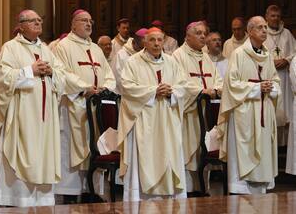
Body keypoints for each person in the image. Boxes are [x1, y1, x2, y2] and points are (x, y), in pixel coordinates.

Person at [0, 10, 65, 207]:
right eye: (33, 20)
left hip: (45, 115)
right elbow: (2, 78)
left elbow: (63, 77)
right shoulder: (10, 48)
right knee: (22, 150)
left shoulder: (46, 49)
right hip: (22, 114)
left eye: (40, 19)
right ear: (21, 25)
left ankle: (42, 200)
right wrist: (31, 70)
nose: (38, 23)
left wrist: (52, 72)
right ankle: (17, 198)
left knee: (43, 153)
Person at [117, 27, 188, 201]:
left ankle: (169, 195)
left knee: (169, 151)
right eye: (152, 40)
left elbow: (183, 86)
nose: (156, 44)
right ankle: (140, 198)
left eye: (159, 40)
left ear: (164, 41)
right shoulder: (133, 62)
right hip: (143, 119)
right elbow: (126, 87)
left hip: (168, 120)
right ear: (144, 42)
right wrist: (153, 91)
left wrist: (171, 91)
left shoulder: (172, 62)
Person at [54, 9, 115, 203]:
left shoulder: (96, 49)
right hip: (74, 105)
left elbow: (109, 74)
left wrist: (105, 89)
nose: (88, 24)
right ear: (73, 24)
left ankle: (92, 191)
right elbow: (61, 73)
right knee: (70, 148)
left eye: (90, 21)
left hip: (96, 106)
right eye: (83, 21)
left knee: (95, 146)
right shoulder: (63, 46)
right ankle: (70, 193)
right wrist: (84, 88)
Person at [217, 16, 280, 194]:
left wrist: (271, 87)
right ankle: (241, 189)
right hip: (244, 112)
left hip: (263, 109)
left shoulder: (267, 55)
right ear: (250, 31)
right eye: (260, 27)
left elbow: (275, 80)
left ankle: (260, 187)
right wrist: (256, 87)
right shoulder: (239, 54)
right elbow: (231, 84)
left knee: (263, 148)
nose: (264, 30)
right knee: (244, 149)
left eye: (265, 27)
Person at [172, 21, 222, 193]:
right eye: (198, 33)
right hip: (189, 114)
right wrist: (202, 91)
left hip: (206, 114)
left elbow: (217, 79)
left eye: (204, 33)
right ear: (187, 36)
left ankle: (203, 190)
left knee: (204, 150)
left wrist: (217, 89)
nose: (203, 36)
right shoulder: (178, 55)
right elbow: (179, 84)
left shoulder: (206, 56)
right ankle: (187, 192)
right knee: (188, 152)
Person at [263, 5, 296, 149]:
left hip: (286, 77)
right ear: (267, 17)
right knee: (275, 110)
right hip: (271, 77)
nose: (276, 18)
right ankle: (273, 145)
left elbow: (295, 52)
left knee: (287, 109)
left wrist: (287, 60)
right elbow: (258, 53)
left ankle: (286, 145)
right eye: (272, 16)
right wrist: (271, 62)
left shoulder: (287, 33)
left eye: (278, 16)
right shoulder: (263, 33)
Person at [110, 28, 147, 94]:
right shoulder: (121, 55)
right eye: (140, 48)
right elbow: (118, 78)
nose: (142, 51)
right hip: (126, 94)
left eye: (145, 48)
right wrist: (135, 90)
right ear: (133, 42)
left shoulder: (146, 54)